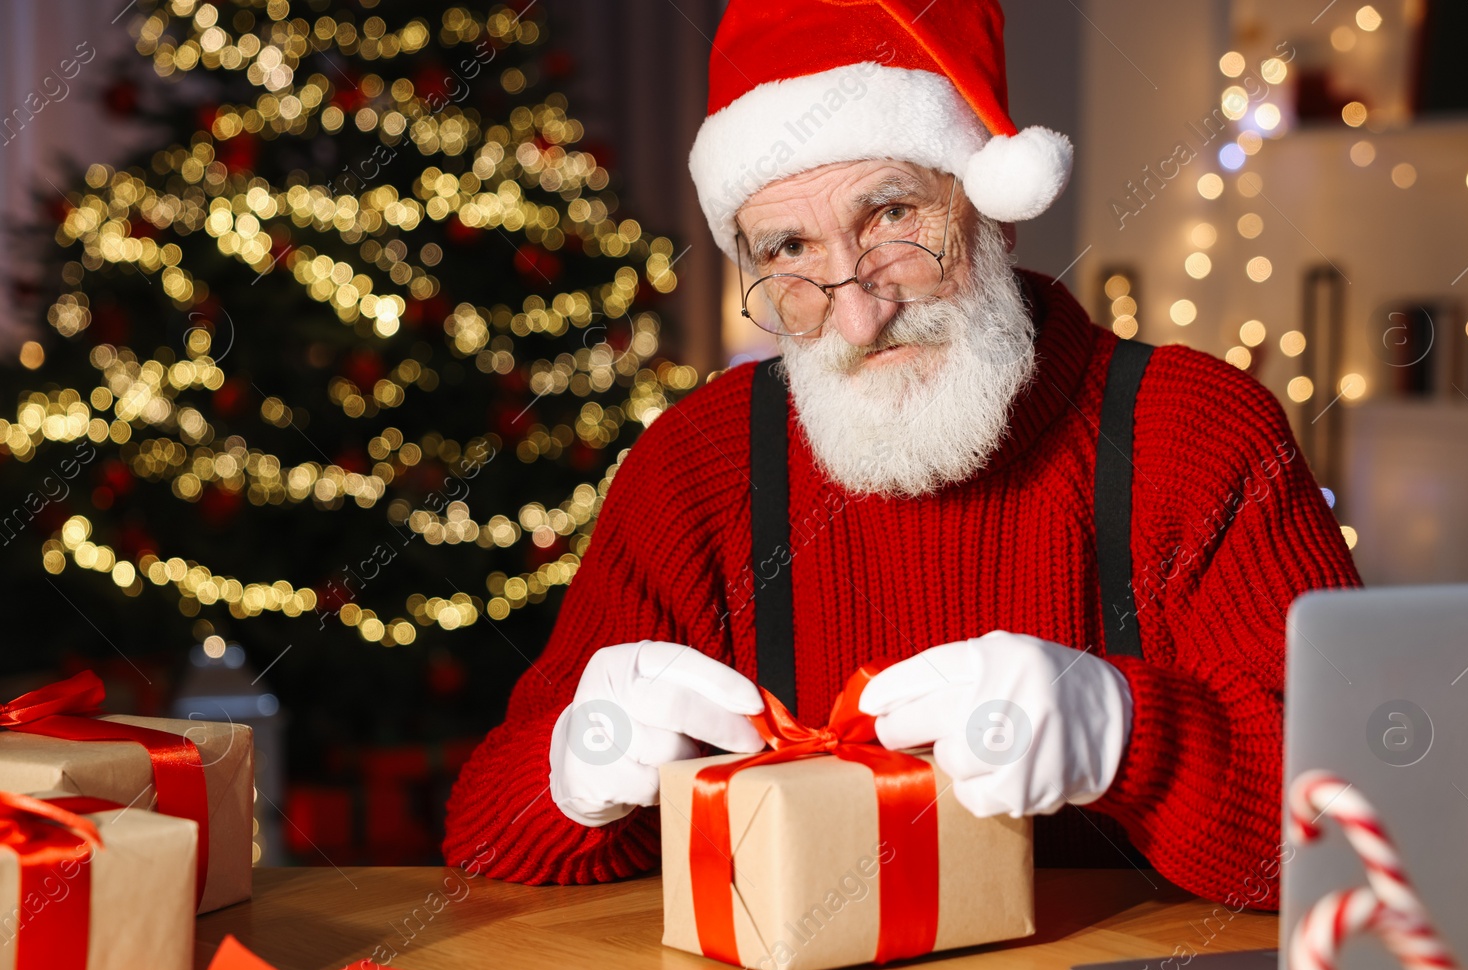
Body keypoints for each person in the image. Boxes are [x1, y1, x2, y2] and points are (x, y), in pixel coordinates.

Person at [444, 0, 1362, 907]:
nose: (857, 313)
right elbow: (481, 834)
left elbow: (1377, 827)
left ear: (994, 210)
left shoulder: (1197, 434)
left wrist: (1138, 739)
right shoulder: (693, 469)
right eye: (791, 249)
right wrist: (578, 768)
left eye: (892, 216)